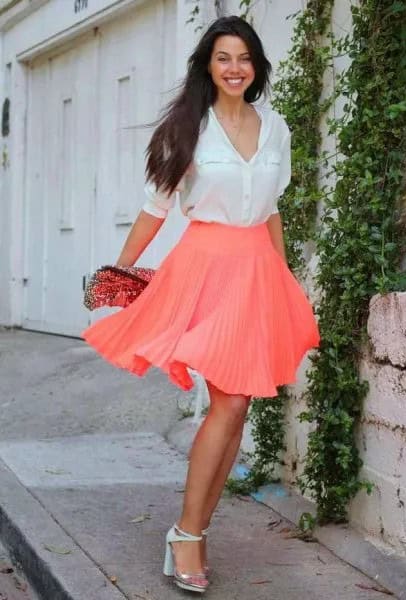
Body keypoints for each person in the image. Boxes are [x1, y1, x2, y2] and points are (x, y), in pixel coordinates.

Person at [82, 15, 320, 594]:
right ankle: (188, 533)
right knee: (230, 399)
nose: (234, 67)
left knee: (236, 407)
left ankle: (193, 530)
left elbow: (270, 211)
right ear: (208, 67)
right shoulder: (190, 127)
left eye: (243, 57)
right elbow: (154, 207)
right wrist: (119, 269)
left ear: (257, 65)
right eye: (222, 58)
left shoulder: (277, 128)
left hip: (257, 271)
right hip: (205, 269)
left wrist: (284, 277)